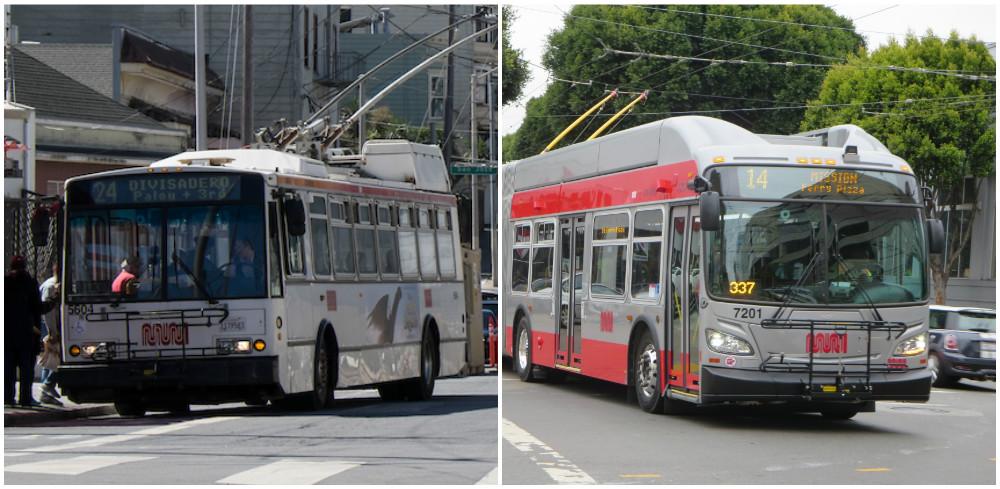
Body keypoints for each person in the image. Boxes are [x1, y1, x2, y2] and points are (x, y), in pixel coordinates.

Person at [4, 256, 43, 407]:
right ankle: (25, 398)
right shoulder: (30, 283)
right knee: (26, 370)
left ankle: (8, 397)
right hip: (27, 333)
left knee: (8, 369)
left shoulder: (5, 282)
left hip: (7, 334)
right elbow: (38, 308)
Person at [38, 261, 63, 406]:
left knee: (51, 356)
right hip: (51, 326)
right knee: (57, 356)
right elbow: (48, 312)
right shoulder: (50, 286)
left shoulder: (54, 284)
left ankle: (47, 387)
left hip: (55, 326)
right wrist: (53, 331)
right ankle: (47, 385)